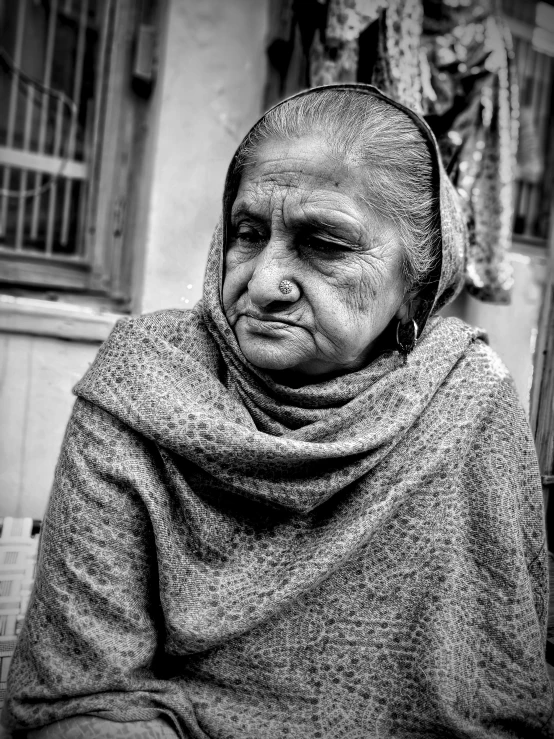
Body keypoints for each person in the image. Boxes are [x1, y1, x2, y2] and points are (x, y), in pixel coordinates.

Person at [2, 84, 553, 739]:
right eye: (247, 232)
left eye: (324, 243)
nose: (262, 283)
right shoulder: (146, 381)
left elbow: (503, 693)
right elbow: (85, 694)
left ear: (418, 283)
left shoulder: (467, 397)